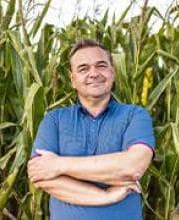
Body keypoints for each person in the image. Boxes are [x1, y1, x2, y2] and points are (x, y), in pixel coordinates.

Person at [27, 39, 155, 220]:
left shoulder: (135, 115)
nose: (93, 73)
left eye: (101, 66)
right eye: (83, 68)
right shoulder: (53, 120)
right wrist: (107, 196)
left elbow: (132, 167)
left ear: (113, 72)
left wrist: (58, 165)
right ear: (73, 80)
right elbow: (42, 176)